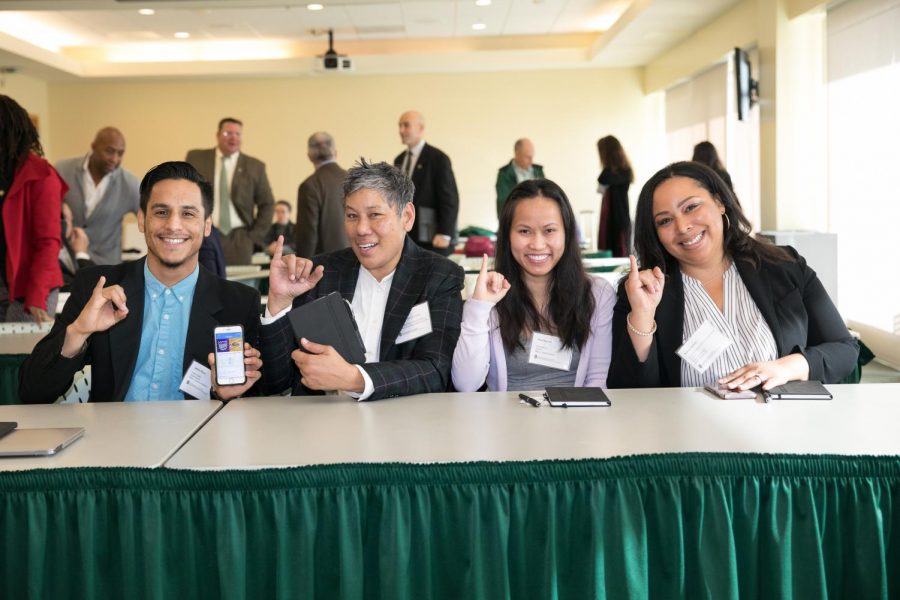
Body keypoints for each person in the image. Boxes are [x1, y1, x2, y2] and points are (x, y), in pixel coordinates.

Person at [19, 161, 263, 403]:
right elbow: (32, 391)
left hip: (199, 438)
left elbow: (260, 398)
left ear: (207, 225)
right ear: (141, 220)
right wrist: (78, 331)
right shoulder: (98, 287)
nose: (173, 225)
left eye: (188, 213)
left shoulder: (239, 303)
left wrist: (225, 396)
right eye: (161, 212)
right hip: (114, 438)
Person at [607, 161, 858, 390]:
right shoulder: (642, 292)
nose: (683, 227)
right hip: (690, 435)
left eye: (692, 207)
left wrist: (787, 367)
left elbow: (844, 350)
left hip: (784, 431)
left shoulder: (784, 266)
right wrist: (642, 316)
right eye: (664, 221)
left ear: (719, 202)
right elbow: (630, 392)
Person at [259, 159, 464, 401]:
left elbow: (435, 370)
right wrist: (279, 304)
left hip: (404, 425)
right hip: (321, 426)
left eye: (375, 215)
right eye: (352, 216)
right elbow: (275, 382)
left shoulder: (438, 276)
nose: (361, 229)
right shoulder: (320, 273)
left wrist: (354, 378)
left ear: (406, 216)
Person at [452, 179, 616, 392]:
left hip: (577, 420)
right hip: (505, 422)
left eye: (549, 230)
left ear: (566, 233)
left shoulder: (598, 293)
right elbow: (466, 384)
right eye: (524, 231)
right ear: (507, 236)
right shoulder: (491, 296)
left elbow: (597, 382)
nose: (537, 244)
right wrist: (480, 307)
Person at [0, 94, 66, 323]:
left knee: (19, 358)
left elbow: (48, 243)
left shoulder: (41, 176)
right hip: (4, 282)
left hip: (30, 287)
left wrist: (37, 296)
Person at [186, 117, 275, 265]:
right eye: (228, 133)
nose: (234, 137)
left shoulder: (255, 166)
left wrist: (253, 238)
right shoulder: (196, 158)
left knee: (238, 287)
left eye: (238, 134)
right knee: (204, 285)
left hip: (239, 239)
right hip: (203, 234)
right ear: (218, 135)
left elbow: (267, 204)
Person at [55, 127, 140, 265]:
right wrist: (61, 206)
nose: (114, 159)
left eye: (120, 153)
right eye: (109, 151)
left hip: (106, 268)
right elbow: (45, 208)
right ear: (93, 147)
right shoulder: (63, 169)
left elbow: (150, 219)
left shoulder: (130, 183)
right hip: (66, 263)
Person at [393, 110, 459, 256]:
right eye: (400, 126)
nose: (401, 130)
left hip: (432, 237)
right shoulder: (399, 160)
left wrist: (445, 233)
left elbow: (450, 198)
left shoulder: (438, 158)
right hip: (406, 236)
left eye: (406, 125)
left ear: (421, 129)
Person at [295, 131, 349, 258]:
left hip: (325, 266)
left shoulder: (309, 186)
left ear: (309, 156)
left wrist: (301, 267)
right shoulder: (355, 180)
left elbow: (307, 236)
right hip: (359, 262)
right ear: (335, 152)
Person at [596, 135, 634, 257]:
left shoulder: (617, 172)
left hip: (617, 217)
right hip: (613, 216)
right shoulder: (623, 171)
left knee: (618, 249)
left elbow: (602, 180)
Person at [495, 138, 545, 218]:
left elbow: (546, 195)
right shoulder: (504, 174)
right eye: (527, 157)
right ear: (517, 154)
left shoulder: (538, 171)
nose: (531, 160)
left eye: (532, 157)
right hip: (515, 219)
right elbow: (503, 203)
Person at [59, 201, 95, 293]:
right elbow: (90, 285)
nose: (73, 225)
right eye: (70, 220)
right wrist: (81, 253)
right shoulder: (50, 251)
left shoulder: (68, 248)